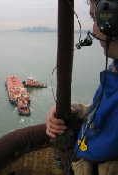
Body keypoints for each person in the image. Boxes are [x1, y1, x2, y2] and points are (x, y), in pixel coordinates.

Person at [46, 0, 118, 174]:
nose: (93, 30)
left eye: (97, 18)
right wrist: (76, 110)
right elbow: (108, 111)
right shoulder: (115, 70)